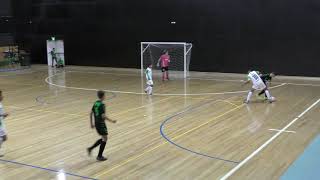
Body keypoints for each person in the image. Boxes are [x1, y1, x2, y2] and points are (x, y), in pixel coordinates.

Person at [87, 90, 116, 161]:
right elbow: (103, 116)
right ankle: (99, 156)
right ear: (103, 96)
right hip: (101, 124)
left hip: (96, 123)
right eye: (105, 95)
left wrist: (91, 123)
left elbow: (91, 113)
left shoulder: (96, 103)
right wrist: (112, 121)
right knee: (105, 138)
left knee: (103, 138)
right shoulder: (102, 105)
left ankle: (90, 149)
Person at [0, 90, 9, 157]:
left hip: (1, 123)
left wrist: (3, 115)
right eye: (1, 95)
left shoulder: (0, 103)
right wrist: (3, 115)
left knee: (4, 138)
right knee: (4, 137)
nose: (3, 96)